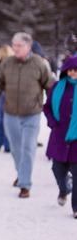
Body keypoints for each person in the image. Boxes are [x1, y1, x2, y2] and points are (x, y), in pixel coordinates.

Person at [0, 32, 55, 198]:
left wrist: (53, 105)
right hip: (10, 113)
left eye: (19, 46)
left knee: (28, 148)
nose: (15, 48)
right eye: (14, 45)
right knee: (16, 148)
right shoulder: (7, 63)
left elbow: (50, 86)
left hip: (31, 113)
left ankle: (25, 184)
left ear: (28, 46)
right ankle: (21, 173)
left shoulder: (39, 64)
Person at [42, 55, 77, 218]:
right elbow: (47, 107)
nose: (73, 73)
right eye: (70, 70)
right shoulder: (57, 87)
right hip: (60, 136)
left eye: (76, 70)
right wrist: (53, 123)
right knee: (58, 170)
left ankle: (75, 207)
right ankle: (64, 189)